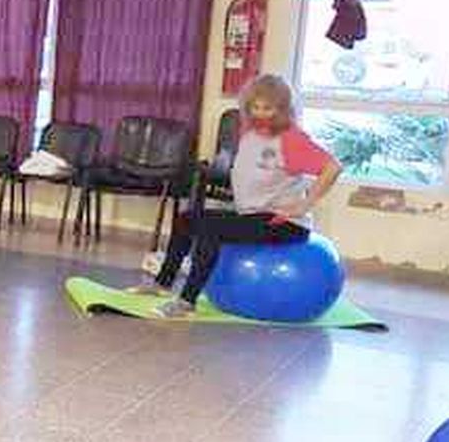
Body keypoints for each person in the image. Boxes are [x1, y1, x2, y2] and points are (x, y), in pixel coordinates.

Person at [133, 73, 342, 318]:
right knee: (185, 219)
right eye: (255, 107)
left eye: (269, 108)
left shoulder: (292, 140)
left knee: (211, 229)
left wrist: (305, 204)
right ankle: (162, 283)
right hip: (253, 215)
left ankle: (186, 301)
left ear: (283, 109)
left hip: (284, 223)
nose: (261, 114)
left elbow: (333, 167)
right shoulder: (251, 134)